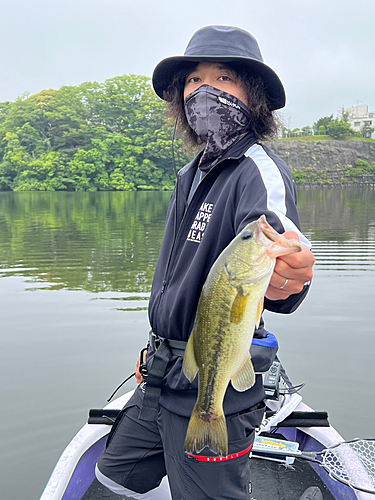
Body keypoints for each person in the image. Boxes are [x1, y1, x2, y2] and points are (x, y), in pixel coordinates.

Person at [95, 25, 315, 500]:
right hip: (159, 370)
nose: (203, 90)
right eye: (193, 81)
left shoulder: (259, 170)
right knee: (113, 477)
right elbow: (178, 279)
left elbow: (280, 258)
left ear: (252, 96)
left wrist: (291, 279)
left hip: (215, 378)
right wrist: (156, 346)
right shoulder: (188, 175)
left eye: (222, 79)